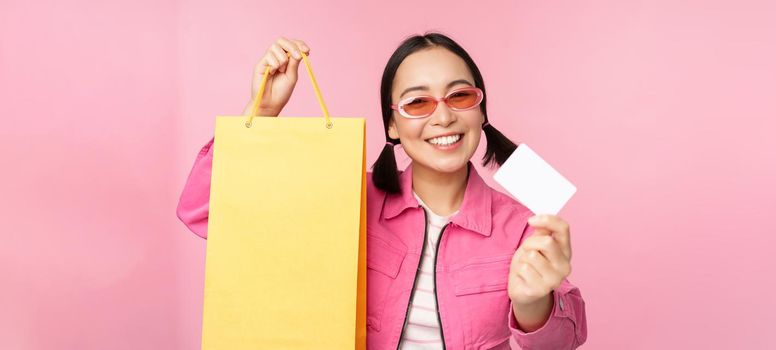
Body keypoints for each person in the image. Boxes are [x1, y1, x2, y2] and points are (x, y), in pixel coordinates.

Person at [177, 32, 586, 349]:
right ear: (392, 125)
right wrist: (262, 114)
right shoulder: (345, 198)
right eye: (417, 103)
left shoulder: (523, 226)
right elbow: (205, 213)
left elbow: (563, 342)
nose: (443, 116)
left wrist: (535, 306)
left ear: (480, 111)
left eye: (459, 96)